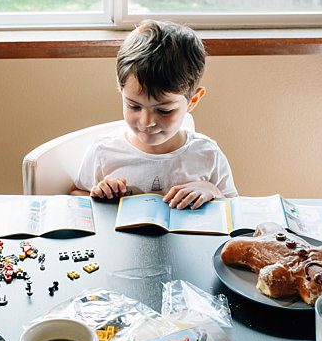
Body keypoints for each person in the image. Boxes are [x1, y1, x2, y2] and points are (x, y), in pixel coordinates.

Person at [71, 20, 237, 206]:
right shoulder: (104, 152)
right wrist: (99, 196)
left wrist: (213, 191)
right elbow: (77, 195)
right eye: (134, 106)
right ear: (121, 89)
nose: (147, 121)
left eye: (164, 110)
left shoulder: (207, 154)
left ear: (192, 101)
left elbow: (234, 208)